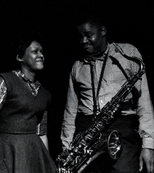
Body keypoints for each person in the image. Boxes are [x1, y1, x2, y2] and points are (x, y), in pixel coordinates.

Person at [60, 14, 154, 173]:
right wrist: (67, 148)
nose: (83, 41)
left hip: (121, 130)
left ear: (103, 30)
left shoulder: (128, 54)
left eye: (88, 35)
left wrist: (149, 145)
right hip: (86, 134)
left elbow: (144, 103)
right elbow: (70, 111)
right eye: (80, 36)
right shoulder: (77, 66)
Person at [0, 30, 57, 173]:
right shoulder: (5, 80)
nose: (41, 55)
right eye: (35, 52)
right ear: (20, 57)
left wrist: (45, 162)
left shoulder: (45, 94)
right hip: (7, 151)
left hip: (32, 152)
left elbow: (42, 132)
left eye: (42, 52)